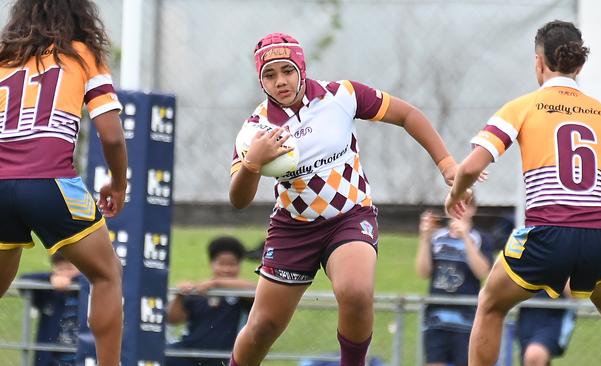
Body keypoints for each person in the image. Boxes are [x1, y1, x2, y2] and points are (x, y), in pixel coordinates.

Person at [228, 32, 458, 366]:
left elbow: (408, 115)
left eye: (287, 70)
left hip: (349, 217)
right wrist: (252, 162)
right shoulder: (255, 129)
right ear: (260, 80)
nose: (281, 81)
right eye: (270, 74)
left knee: (355, 292)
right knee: (263, 326)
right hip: (294, 228)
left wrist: (447, 164)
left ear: (301, 68)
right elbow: (238, 199)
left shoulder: (341, 95)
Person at [444, 20, 601, 366]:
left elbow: (468, 168)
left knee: (491, 304)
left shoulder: (523, 107)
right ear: (579, 65)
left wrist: (455, 196)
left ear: (538, 62)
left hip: (548, 234)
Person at [0, 1, 127, 365]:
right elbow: (113, 137)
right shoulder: (82, 54)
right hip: (51, 181)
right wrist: (118, 185)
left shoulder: (3, 57)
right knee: (106, 275)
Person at [415, 202, 492, 366]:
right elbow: (423, 272)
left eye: (464, 206)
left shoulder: (480, 238)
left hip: (466, 321)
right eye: (453, 206)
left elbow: (483, 272)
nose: (457, 211)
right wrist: (424, 237)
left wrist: (465, 237)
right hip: (436, 319)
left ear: (473, 209)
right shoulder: (437, 238)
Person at [166, 236, 256, 366]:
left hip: (225, 357)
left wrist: (216, 283)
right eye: (221, 264)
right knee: (160, 355)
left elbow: (256, 290)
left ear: (239, 265)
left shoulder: (242, 294)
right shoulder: (200, 291)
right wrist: (180, 295)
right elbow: (173, 319)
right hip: (189, 354)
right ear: (211, 264)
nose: (226, 269)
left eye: (232, 264)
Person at [20, 253, 82, 366]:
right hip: (50, 361)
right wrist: (50, 278)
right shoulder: (48, 293)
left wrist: (74, 280)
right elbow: (24, 280)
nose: (65, 275)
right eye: (60, 269)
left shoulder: (87, 293)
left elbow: (97, 280)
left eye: (70, 269)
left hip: (80, 359)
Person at [516, 290, 576, 366]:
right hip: (527, 316)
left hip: (555, 317)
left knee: (534, 355)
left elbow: (574, 293)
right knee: (531, 359)